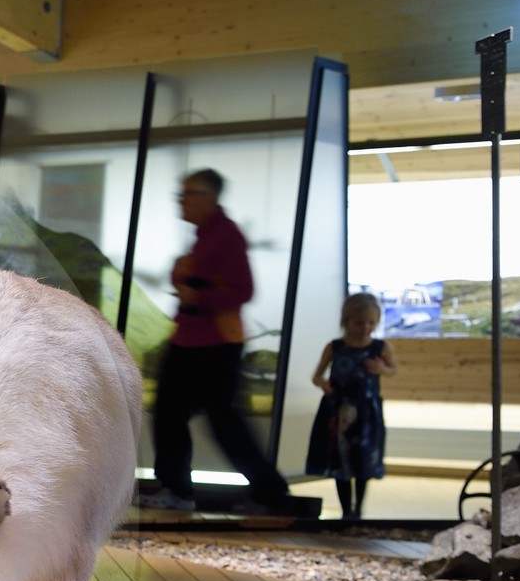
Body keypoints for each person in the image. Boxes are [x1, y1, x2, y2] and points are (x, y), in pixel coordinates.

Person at [140, 169, 291, 513]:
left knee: (219, 420)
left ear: (209, 198)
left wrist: (196, 295)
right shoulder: (206, 236)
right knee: (172, 414)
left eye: (188, 193)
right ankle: (178, 491)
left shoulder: (227, 235)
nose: (182, 200)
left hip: (216, 342)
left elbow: (243, 291)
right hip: (191, 339)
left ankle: (268, 492)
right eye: (181, 194)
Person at [305, 292, 398, 522]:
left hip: (366, 412)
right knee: (340, 459)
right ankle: (346, 509)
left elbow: (393, 370)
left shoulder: (380, 348)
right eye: (359, 322)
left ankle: (359, 508)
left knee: (363, 459)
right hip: (338, 409)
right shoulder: (335, 347)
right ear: (346, 321)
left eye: (371, 323)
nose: (365, 327)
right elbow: (317, 375)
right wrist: (323, 384)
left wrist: (382, 370)